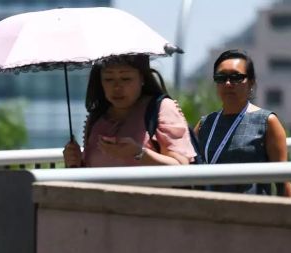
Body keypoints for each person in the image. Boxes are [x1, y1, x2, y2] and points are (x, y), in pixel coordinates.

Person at [63, 54, 195, 168]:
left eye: (126, 78)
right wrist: (75, 162)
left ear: (142, 78)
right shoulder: (96, 117)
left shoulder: (161, 108)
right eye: (108, 79)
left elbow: (181, 167)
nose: (117, 87)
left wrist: (139, 153)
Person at [195, 49, 291, 197]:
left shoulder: (267, 121)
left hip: (251, 212)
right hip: (209, 210)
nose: (228, 83)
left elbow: (283, 183)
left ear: (251, 83)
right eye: (221, 77)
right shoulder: (205, 124)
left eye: (236, 77)